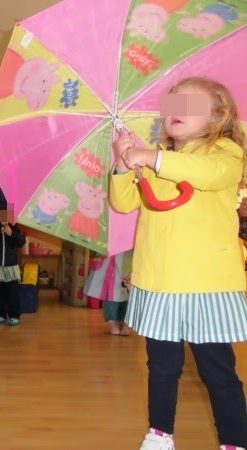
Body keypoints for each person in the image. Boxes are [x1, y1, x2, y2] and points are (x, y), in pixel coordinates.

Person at [110, 77, 247, 450]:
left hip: (207, 284)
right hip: (159, 283)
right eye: (173, 104)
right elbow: (124, 202)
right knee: (161, 367)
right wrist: (123, 164)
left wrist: (151, 158)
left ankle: (234, 440)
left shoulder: (225, 152)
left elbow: (211, 175)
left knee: (217, 369)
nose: (177, 110)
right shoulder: (156, 157)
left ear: (218, 116)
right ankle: (160, 433)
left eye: (190, 104)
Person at [83, 250, 133, 336]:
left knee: (129, 295)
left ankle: (127, 322)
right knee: (111, 296)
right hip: (110, 264)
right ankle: (114, 322)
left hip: (128, 259)